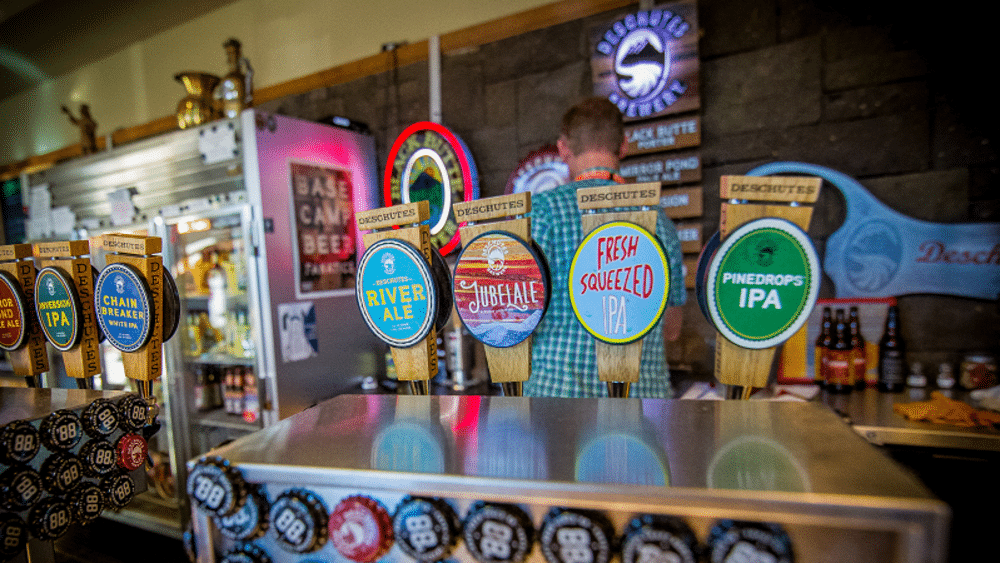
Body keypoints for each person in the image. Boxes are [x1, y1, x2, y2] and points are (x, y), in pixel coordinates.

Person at [526, 97, 685, 398]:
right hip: (642, 404)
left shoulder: (544, 212)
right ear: (624, 146)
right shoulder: (658, 218)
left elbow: (519, 319)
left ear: (563, 148)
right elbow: (672, 329)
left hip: (559, 402)